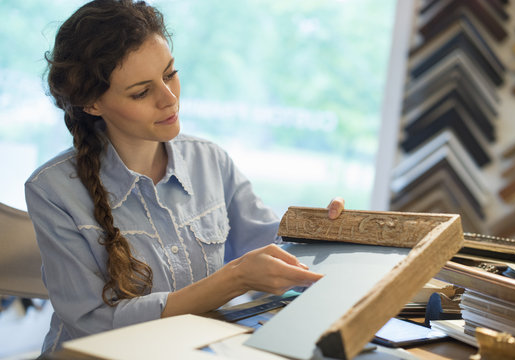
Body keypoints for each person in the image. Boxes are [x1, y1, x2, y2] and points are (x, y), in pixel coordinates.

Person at [24, 0, 345, 354]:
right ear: (92, 104)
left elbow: (273, 248)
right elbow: (93, 324)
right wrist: (233, 279)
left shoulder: (210, 160)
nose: (169, 98)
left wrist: (325, 234)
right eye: (141, 92)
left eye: (170, 73)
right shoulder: (53, 191)